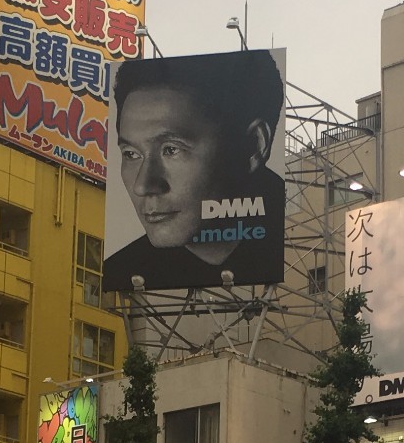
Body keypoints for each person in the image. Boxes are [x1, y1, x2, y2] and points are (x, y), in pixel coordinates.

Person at [104, 51, 287, 292]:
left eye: (171, 150)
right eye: (131, 154)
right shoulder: (123, 269)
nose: (143, 185)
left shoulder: (293, 245)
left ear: (253, 146)